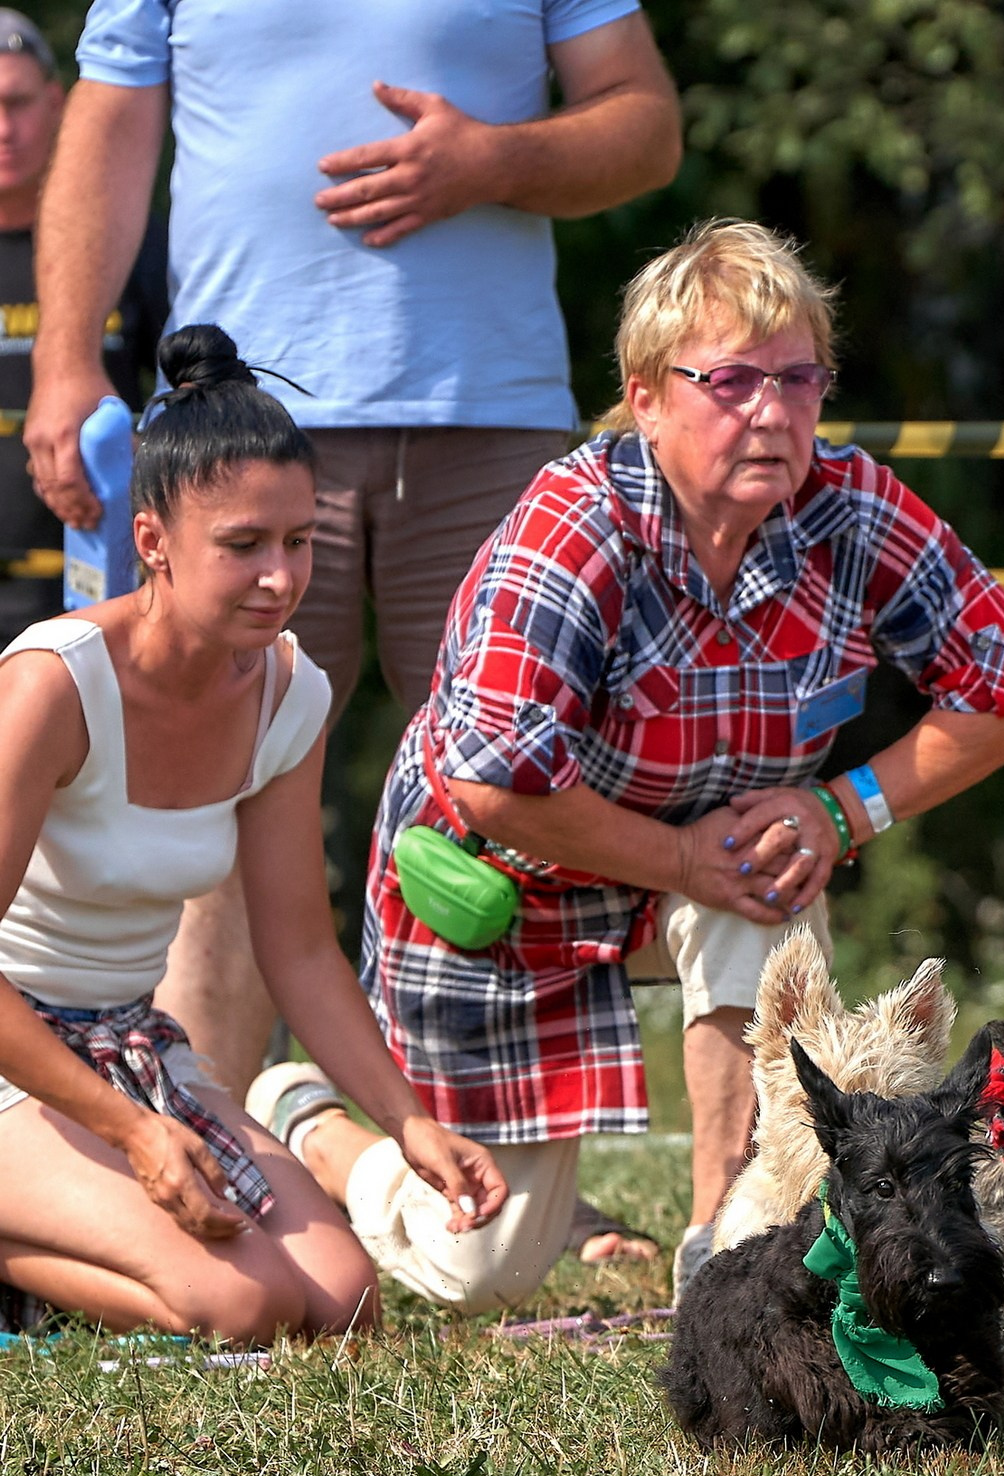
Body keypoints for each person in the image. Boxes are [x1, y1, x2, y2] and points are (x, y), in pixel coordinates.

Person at [251, 221, 1004, 1313]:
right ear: (644, 398)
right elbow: (489, 782)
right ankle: (306, 1114)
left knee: (770, 861)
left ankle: (715, 1246)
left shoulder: (851, 504)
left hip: (717, 861)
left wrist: (843, 808)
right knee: (481, 1266)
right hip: (511, 885)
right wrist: (680, 857)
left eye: (798, 378)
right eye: (730, 381)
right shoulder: (573, 526)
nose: (771, 411)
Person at [28, 0, 683, 1091]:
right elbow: (108, 124)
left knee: (519, 807)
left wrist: (494, 161)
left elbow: (647, 127)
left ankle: (505, 1166)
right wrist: (63, 359)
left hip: (490, 417)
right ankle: (206, 1141)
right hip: (236, 432)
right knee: (210, 816)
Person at [0, 327, 503, 1342]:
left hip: (129, 1043)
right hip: (18, 1058)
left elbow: (301, 950)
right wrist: (134, 1131)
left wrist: (409, 1121)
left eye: (298, 540)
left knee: (340, 1299)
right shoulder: (54, 684)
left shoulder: (288, 691)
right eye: (243, 546)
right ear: (152, 541)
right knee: (243, 1303)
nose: (280, 575)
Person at [0, 10, 165, 646]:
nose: (4, 129)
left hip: (98, 586)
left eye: (17, 104)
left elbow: (192, 395)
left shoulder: (123, 243)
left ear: (56, 104)